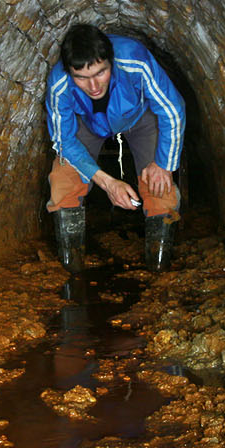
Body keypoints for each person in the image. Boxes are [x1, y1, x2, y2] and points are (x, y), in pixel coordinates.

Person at [45, 23, 184, 271]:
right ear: (69, 72)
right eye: (81, 78)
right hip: (87, 123)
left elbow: (172, 109)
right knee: (63, 179)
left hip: (140, 117)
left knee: (159, 185)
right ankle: (71, 269)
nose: (94, 86)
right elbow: (64, 141)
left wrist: (164, 165)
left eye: (100, 73)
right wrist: (108, 183)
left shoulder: (134, 59)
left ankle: (159, 268)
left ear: (111, 61)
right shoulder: (59, 84)